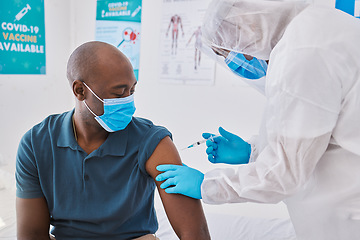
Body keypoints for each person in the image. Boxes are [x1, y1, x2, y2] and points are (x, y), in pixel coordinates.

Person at [156, 0, 360, 239]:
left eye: (230, 52)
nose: (237, 62)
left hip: (346, 219)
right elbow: (316, 140)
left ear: (249, 28)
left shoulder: (302, 54)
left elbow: (284, 175)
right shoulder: (323, 25)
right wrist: (253, 151)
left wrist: (206, 185)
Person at [15, 41, 210, 240]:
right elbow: (32, 234)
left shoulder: (153, 142)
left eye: (132, 91)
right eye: (118, 93)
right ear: (80, 91)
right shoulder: (36, 144)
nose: (128, 101)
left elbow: (195, 234)